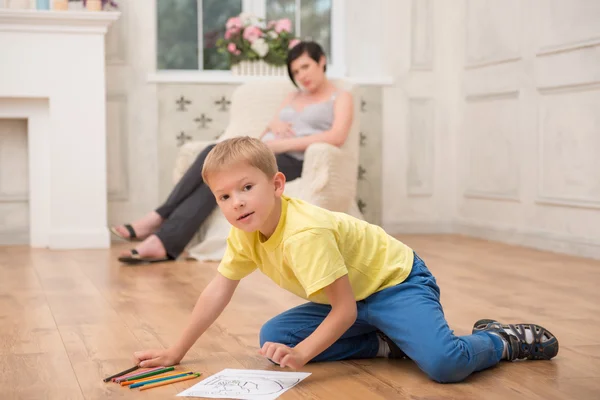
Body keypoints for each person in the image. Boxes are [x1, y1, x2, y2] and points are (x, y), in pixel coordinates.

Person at [132, 137, 559, 383]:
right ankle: (386, 341)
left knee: (445, 364)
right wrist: (176, 350)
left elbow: (343, 309)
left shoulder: (306, 233)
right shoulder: (246, 232)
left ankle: (503, 339)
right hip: (352, 298)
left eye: (246, 187)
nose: (237, 202)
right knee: (275, 335)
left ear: (277, 184)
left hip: (396, 282)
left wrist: (303, 357)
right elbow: (217, 291)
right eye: (224, 196)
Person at [112, 41, 354, 264]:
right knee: (213, 156)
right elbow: (269, 128)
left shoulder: (340, 97)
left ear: (321, 60)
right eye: (296, 72)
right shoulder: (293, 96)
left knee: (225, 171)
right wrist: (273, 127)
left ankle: (159, 228)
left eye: (305, 67)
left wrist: (284, 145)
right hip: (265, 152)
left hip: (293, 160)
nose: (302, 76)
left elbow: (337, 136)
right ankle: (162, 233)